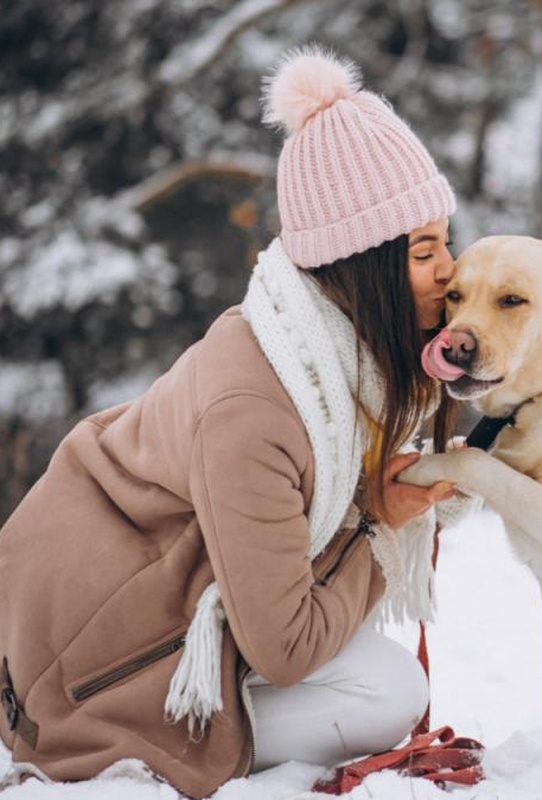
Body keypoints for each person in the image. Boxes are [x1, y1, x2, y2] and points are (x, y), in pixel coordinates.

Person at [0, 47, 474, 798]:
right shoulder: (259, 407)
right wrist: (379, 525)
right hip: (85, 673)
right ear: (362, 266)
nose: (451, 269)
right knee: (389, 695)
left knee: (381, 674)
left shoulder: (315, 357)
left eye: (444, 239)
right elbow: (287, 647)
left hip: (136, 611)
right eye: (423, 250)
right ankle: (168, 742)